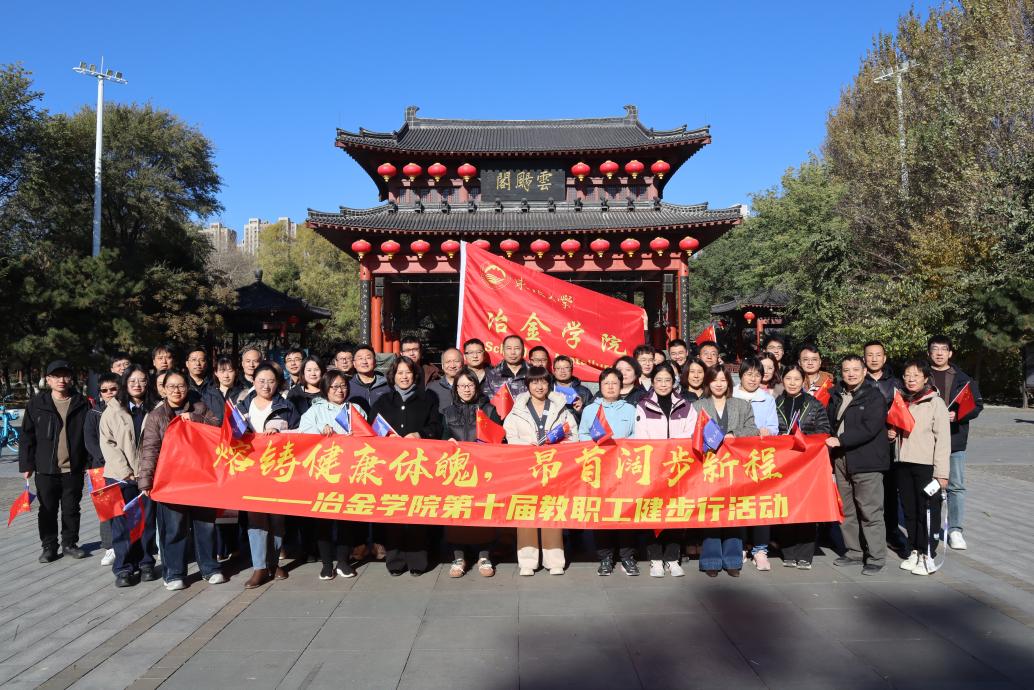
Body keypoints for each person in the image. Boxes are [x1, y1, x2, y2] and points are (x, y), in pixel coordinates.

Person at [139, 370, 224, 590]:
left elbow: (217, 428)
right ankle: (174, 573)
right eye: (171, 386)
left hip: (200, 478)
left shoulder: (199, 408)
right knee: (174, 528)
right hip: (170, 481)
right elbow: (150, 449)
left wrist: (195, 420)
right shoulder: (156, 416)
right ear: (163, 390)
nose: (177, 391)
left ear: (187, 388)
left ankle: (210, 568)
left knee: (205, 525)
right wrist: (146, 480)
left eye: (181, 386)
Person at [371, 356, 442, 575]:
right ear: (393, 376)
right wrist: (385, 438)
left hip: (419, 466)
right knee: (393, 513)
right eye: (400, 373)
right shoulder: (383, 401)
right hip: (390, 467)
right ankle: (395, 561)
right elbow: (372, 429)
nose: (404, 377)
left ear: (415, 375)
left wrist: (420, 434)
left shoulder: (427, 399)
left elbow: (436, 426)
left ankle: (418, 561)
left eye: (408, 372)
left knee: (417, 514)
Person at [504, 366, 577, 576]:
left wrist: (558, 447)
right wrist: (527, 446)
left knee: (551, 512)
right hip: (525, 469)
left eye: (543, 381)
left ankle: (554, 560)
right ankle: (527, 561)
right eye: (534, 382)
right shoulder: (517, 409)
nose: (539, 386)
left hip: (553, 468)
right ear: (527, 385)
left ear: (549, 384)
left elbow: (573, 436)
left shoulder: (561, 408)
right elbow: (510, 436)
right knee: (526, 511)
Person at [20, 360, 91, 563]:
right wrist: (26, 465)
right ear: (48, 380)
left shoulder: (82, 403)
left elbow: (89, 435)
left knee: (71, 509)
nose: (61, 380)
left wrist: (90, 464)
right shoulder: (37, 404)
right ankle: (49, 547)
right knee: (47, 510)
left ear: (71, 379)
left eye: (65, 375)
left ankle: (70, 544)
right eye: (56, 376)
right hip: (45, 468)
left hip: (73, 468)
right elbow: (27, 436)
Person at [298, 369, 366, 580]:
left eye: (343, 386)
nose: (339, 390)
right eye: (334, 386)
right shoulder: (315, 410)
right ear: (326, 389)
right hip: (323, 473)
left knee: (346, 518)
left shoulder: (355, 409)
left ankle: (343, 561)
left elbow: (368, 437)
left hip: (348, 473)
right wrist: (319, 430)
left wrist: (358, 436)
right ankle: (327, 564)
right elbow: (302, 435)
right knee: (323, 520)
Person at [236, 363, 300, 588]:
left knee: (277, 518)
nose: (266, 385)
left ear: (278, 383)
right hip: (251, 470)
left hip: (277, 470)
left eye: (271, 381)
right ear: (253, 381)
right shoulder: (242, 406)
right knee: (256, 519)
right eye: (261, 381)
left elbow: (300, 435)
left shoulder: (286, 406)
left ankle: (274, 563)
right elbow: (229, 433)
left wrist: (280, 433)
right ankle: (259, 567)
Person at [826, 355, 890, 575]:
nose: (851, 374)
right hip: (841, 459)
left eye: (855, 369)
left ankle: (876, 556)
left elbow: (870, 428)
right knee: (847, 509)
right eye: (846, 370)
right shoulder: (836, 394)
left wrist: (841, 440)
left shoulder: (874, 396)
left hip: (866, 461)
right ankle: (854, 551)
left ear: (864, 372)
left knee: (870, 510)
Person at [692, 366, 758, 576]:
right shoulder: (697, 406)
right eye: (714, 380)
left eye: (723, 380)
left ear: (729, 382)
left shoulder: (741, 404)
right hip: (708, 467)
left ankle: (732, 560)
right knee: (711, 512)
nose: (719, 384)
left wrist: (734, 434)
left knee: (734, 513)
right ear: (708, 383)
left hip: (735, 468)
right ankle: (711, 561)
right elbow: (691, 433)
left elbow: (753, 429)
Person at [634, 363, 696, 577]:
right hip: (653, 469)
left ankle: (672, 558)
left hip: (678, 468)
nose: (663, 384)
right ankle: (655, 559)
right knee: (653, 513)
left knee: (675, 514)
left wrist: (674, 453)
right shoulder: (643, 406)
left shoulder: (686, 405)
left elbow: (691, 434)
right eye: (658, 380)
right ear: (652, 382)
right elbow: (641, 437)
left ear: (674, 382)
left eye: (667, 380)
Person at [100, 365, 160, 586]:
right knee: (122, 524)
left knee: (146, 522)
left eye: (142, 380)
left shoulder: (156, 409)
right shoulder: (113, 409)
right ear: (125, 383)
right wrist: (126, 472)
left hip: (147, 476)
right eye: (132, 380)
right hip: (119, 476)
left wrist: (146, 472)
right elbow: (108, 443)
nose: (137, 385)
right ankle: (124, 568)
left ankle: (146, 563)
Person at [890, 360, 950, 576]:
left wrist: (941, 473)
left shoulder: (935, 403)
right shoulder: (901, 401)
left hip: (926, 466)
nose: (911, 379)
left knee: (927, 512)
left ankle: (928, 554)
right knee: (910, 511)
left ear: (925, 378)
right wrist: (892, 435)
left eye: (916, 375)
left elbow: (943, 440)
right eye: (907, 375)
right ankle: (914, 549)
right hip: (903, 464)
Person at [440, 368, 501, 577]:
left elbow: (499, 439)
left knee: (483, 513)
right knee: (457, 513)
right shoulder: (447, 412)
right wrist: (446, 441)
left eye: (470, 385)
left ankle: (485, 556)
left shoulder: (489, 410)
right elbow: (441, 437)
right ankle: (458, 557)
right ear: (455, 388)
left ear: (476, 386)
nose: (466, 389)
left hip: (483, 470)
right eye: (462, 386)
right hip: (456, 471)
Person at [580, 368, 639, 576]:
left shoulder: (631, 409)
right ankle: (605, 557)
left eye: (615, 383)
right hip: (600, 470)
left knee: (626, 512)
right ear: (600, 386)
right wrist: (596, 446)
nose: (611, 387)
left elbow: (637, 435)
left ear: (621, 386)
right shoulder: (590, 410)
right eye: (606, 383)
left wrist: (623, 446)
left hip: (624, 470)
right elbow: (582, 434)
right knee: (602, 513)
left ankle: (627, 557)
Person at [927, 335, 982, 550]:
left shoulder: (963, 378)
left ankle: (955, 530)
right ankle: (929, 526)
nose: (939, 353)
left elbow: (977, 405)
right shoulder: (921, 375)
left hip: (954, 439)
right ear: (929, 353)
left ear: (950, 353)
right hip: (927, 440)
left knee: (956, 486)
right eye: (935, 349)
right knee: (928, 484)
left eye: (944, 349)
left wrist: (958, 415)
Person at [774, 365, 832, 569]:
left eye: (797, 379)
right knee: (785, 506)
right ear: (782, 380)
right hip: (783, 464)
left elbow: (824, 430)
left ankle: (805, 554)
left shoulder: (813, 404)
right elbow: (770, 430)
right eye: (788, 378)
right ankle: (788, 552)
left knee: (807, 507)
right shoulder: (776, 403)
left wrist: (805, 439)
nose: (792, 383)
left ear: (803, 381)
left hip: (807, 463)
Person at [732, 357, 779, 571]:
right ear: (740, 375)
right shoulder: (731, 395)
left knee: (761, 503)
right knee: (739, 503)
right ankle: (741, 545)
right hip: (736, 457)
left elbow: (774, 427)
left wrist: (768, 431)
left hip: (760, 458)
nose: (753, 379)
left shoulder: (767, 399)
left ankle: (760, 549)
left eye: (757, 375)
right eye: (749, 374)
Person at [863, 340, 906, 553]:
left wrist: (895, 428)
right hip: (865, 444)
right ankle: (866, 535)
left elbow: (904, 411)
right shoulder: (858, 380)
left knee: (889, 490)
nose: (874, 359)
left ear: (885, 357)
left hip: (889, 444)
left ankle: (891, 531)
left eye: (878, 355)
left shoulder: (896, 383)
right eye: (870, 355)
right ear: (864, 358)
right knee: (866, 492)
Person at [85, 372, 120, 567]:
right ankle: (110, 546)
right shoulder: (93, 413)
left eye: (113, 389)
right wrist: (106, 458)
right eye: (105, 390)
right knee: (106, 509)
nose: (109, 393)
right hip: (101, 467)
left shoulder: (126, 410)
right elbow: (89, 441)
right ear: (100, 393)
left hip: (124, 467)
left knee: (127, 507)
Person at [483, 334, 529, 399]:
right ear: (503, 351)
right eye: (509, 348)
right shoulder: (492, 374)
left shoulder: (533, 373)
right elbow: (487, 400)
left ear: (523, 351)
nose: (513, 352)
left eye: (517, 348)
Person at [349, 344, 390, 408]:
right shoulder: (348, 386)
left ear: (375, 362)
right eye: (360, 358)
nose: (364, 362)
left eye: (368, 358)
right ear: (354, 363)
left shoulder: (388, 384)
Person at [552, 355, 591, 421]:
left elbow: (591, 418)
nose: (562, 371)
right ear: (554, 371)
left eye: (566, 368)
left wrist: (581, 410)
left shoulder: (584, 392)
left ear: (572, 369)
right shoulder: (548, 390)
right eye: (558, 368)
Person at [428, 347, 464, 413]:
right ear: (442, 365)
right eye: (448, 362)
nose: (452, 366)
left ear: (462, 364)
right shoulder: (432, 388)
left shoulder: (470, 386)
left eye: (456, 361)